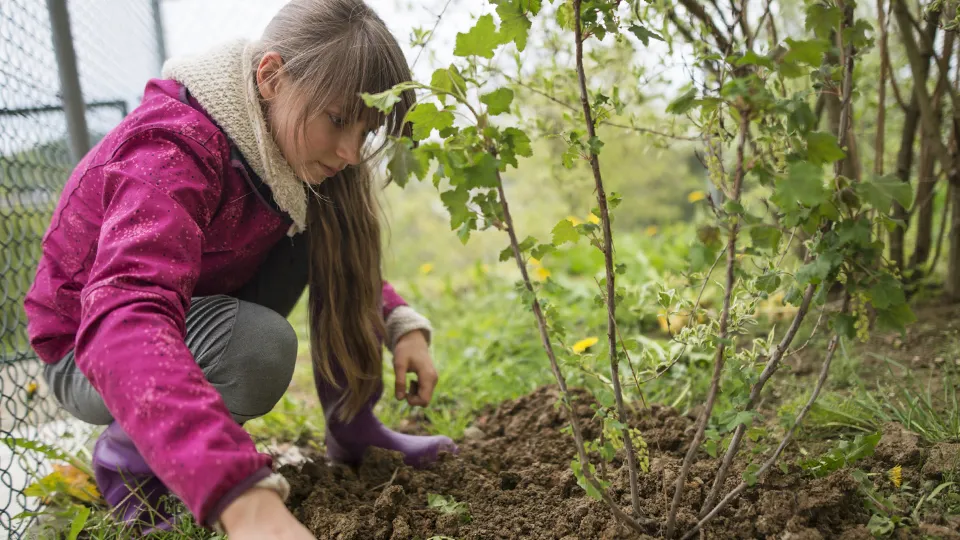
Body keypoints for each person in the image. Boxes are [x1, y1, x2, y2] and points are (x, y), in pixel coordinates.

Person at [23, 0, 458, 536]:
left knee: (324, 222)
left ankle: (354, 424)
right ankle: (129, 462)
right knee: (259, 347)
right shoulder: (172, 147)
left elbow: (344, 260)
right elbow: (123, 315)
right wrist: (239, 494)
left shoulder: (285, 154)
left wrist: (397, 321)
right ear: (271, 76)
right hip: (90, 347)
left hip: (187, 309)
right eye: (339, 119)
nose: (350, 150)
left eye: (364, 131)